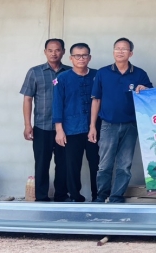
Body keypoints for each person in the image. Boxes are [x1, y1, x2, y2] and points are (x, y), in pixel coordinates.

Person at [88, 37, 152, 203]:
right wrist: (92, 126)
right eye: (117, 48)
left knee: (124, 165)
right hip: (108, 125)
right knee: (104, 165)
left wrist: (144, 89)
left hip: (131, 126)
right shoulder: (103, 73)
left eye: (124, 49)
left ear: (131, 53)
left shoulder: (139, 74)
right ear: (113, 51)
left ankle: (116, 196)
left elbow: (151, 96)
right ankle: (102, 196)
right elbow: (96, 100)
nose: (120, 51)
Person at [20, 38, 71, 202]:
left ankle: (61, 196)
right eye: (50, 50)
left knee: (63, 164)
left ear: (63, 52)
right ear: (45, 52)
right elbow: (28, 99)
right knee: (41, 163)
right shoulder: (35, 72)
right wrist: (27, 125)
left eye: (57, 50)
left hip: (65, 128)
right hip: (42, 126)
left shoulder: (70, 72)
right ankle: (41, 197)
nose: (54, 53)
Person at [53, 43, 99, 202]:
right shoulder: (62, 78)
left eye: (84, 55)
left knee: (97, 164)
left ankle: (98, 196)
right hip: (71, 128)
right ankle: (75, 196)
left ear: (89, 57)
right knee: (72, 165)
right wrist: (59, 129)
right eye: (77, 56)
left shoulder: (97, 75)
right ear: (71, 58)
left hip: (95, 128)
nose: (81, 59)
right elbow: (57, 104)